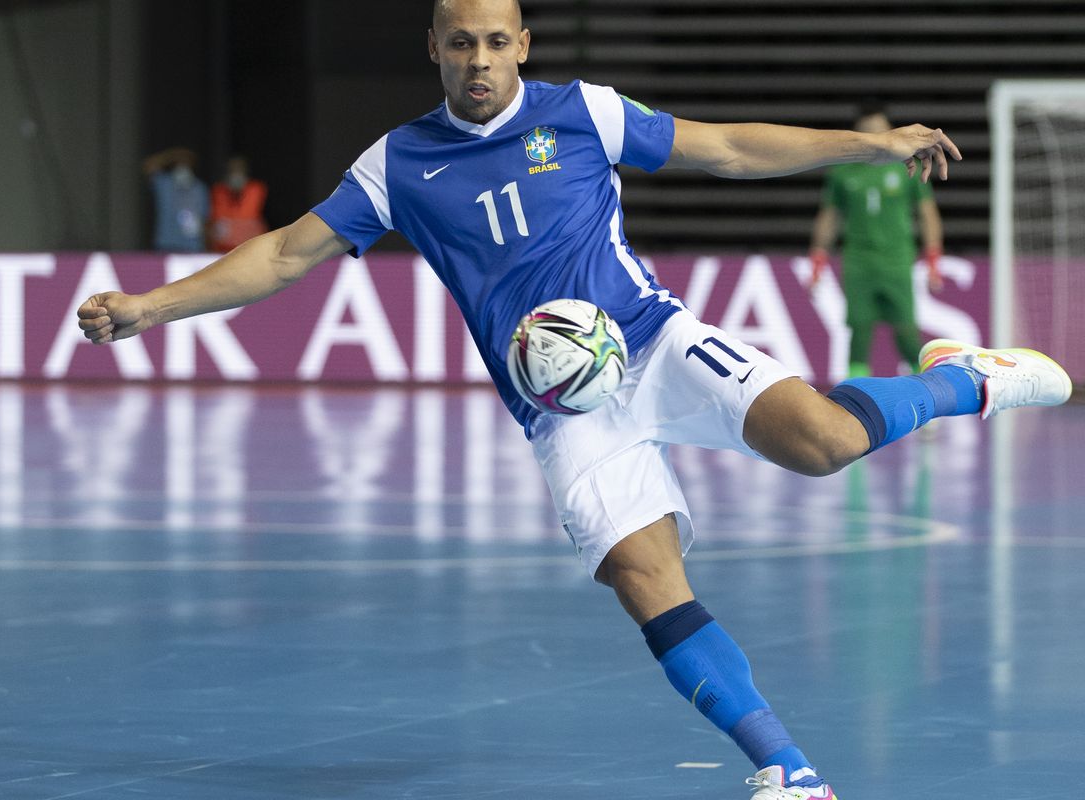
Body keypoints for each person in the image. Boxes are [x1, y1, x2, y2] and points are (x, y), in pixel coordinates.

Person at [77, 1, 1072, 797]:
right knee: (646, 579)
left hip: (650, 338)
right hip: (560, 404)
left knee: (816, 440)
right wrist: (151, 306)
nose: (478, 59)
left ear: (522, 45)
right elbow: (287, 253)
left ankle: (960, 378)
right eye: (459, 42)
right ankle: (789, 767)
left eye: (495, 41)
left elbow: (724, 146)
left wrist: (868, 145)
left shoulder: (579, 111)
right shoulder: (399, 165)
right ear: (432, 47)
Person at [809, 103, 945, 378]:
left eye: (881, 132)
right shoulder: (842, 172)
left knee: (906, 329)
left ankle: (930, 386)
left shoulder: (909, 167)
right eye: (869, 133)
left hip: (896, 259)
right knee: (858, 329)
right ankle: (856, 394)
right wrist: (817, 260)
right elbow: (829, 217)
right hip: (858, 260)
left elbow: (927, 214)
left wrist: (933, 259)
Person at [143, 146, 208, 252]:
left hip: (192, 246)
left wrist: (205, 247)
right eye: (180, 162)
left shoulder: (199, 188)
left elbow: (205, 220)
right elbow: (148, 166)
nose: (183, 165)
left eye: (186, 162)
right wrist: (170, 155)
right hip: (166, 245)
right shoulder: (164, 183)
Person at [208, 155, 268, 252]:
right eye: (233, 170)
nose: (236, 173)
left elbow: (250, 214)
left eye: (239, 170)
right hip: (221, 250)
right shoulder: (218, 190)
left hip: (248, 248)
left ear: (246, 172)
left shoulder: (256, 189)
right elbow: (215, 220)